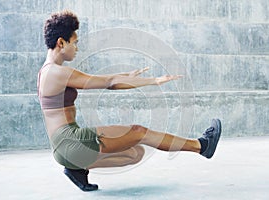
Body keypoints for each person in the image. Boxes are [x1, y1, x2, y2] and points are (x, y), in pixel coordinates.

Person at [37, 10, 222, 192]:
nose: (77, 48)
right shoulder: (57, 73)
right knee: (138, 132)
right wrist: (154, 81)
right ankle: (201, 145)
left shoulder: (48, 72)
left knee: (134, 153)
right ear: (61, 42)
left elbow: (106, 79)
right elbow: (108, 83)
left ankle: (76, 169)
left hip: (63, 149)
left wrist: (125, 75)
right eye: (75, 43)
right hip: (70, 141)